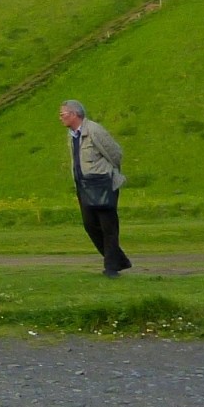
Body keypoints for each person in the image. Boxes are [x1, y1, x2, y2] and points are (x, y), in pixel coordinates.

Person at [61, 100, 131, 276]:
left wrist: (108, 174)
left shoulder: (94, 130)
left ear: (74, 114)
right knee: (90, 225)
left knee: (108, 226)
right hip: (84, 187)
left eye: (63, 114)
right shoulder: (71, 134)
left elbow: (115, 153)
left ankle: (111, 268)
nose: (60, 118)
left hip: (102, 186)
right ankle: (119, 260)